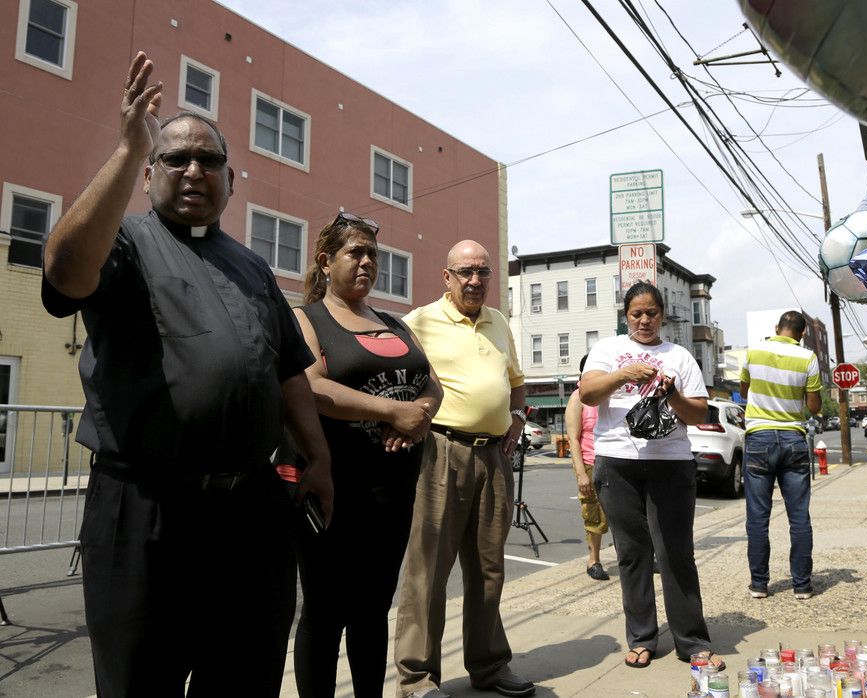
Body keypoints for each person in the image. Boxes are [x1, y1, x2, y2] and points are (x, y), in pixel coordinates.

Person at [40, 53, 333, 697]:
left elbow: (290, 371)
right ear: (148, 174)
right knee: (141, 683)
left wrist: (318, 458)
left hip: (250, 512)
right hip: (146, 510)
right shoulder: (123, 241)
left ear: (231, 180)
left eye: (209, 160)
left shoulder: (253, 268)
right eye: (175, 159)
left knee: (246, 678)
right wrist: (127, 148)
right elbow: (64, 273)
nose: (194, 170)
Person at [289, 213, 443, 697]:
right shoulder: (307, 319)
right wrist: (394, 411)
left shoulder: (394, 323)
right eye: (355, 252)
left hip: (392, 493)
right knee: (325, 610)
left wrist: (418, 415)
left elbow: (432, 384)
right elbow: (310, 387)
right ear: (325, 261)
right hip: (334, 489)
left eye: (372, 254)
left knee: (373, 609)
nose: (367, 262)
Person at [393, 240, 534, 698]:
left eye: (483, 272)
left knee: (489, 569)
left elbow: (516, 383)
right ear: (446, 276)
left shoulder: (499, 323)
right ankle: (417, 678)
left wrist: (516, 419)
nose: (475, 281)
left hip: (494, 456)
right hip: (440, 451)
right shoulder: (420, 321)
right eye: (465, 272)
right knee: (428, 570)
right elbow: (395, 379)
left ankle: (490, 665)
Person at [579, 282, 722, 671]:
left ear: (662, 316)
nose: (644, 320)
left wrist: (671, 393)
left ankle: (692, 641)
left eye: (652, 313)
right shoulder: (607, 350)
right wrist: (624, 373)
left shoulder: (679, 356)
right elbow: (588, 393)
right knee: (631, 554)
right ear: (626, 316)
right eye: (636, 314)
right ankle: (642, 638)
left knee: (676, 553)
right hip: (617, 462)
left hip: (671, 462)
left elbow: (698, 413)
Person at [740, 310, 822, 600]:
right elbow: (814, 407)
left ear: (777, 328)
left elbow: (744, 390)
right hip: (793, 439)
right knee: (798, 517)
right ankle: (802, 585)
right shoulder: (808, 358)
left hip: (759, 437)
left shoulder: (753, 351)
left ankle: (759, 584)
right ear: (802, 333)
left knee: (757, 517)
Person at [565, 353, 610, 581]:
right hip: (590, 461)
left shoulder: (610, 393)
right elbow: (573, 439)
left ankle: (637, 557)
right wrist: (581, 474)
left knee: (627, 511)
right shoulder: (578, 397)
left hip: (615, 459)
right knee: (593, 511)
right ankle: (594, 560)